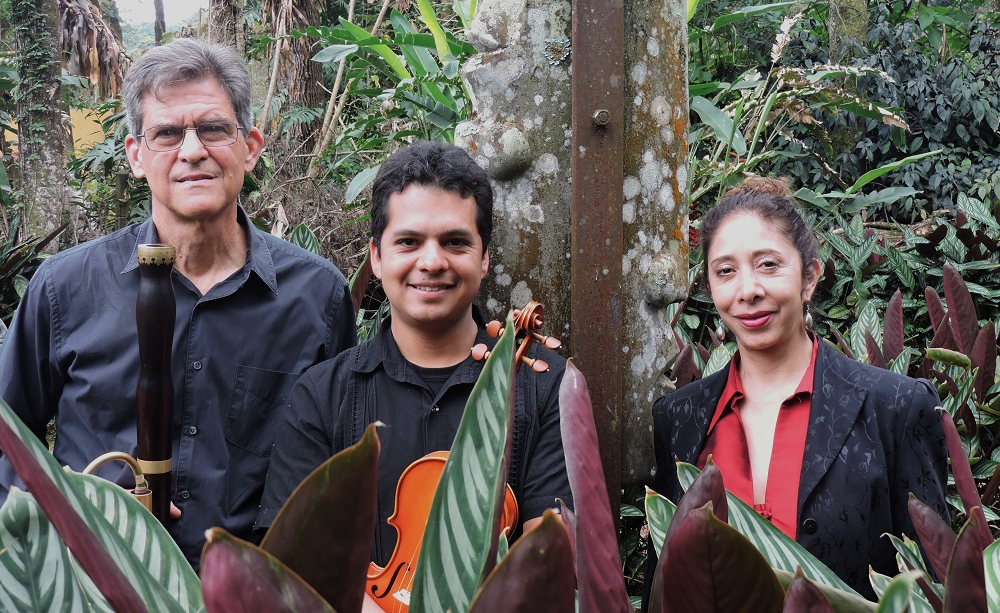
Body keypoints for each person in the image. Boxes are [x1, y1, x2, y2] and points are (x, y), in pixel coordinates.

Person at [0, 38, 356, 569]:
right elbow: (9, 441)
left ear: (250, 146)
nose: (192, 151)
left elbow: (339, 466)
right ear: (136, 156)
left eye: (213, 129)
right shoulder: (63, 288)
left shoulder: (318, 296)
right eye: (167, 133)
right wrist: (51, 533)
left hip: (249, 593)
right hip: (94, 583)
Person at [258, 141, 570, 571]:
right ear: (377, 257)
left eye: (455, 242)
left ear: (484, 260)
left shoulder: (543, 383)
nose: (432, 261)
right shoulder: (321, 395)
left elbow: (548, 557)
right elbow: (294, 560)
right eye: (408, 241)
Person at [645, 176, 948, 602]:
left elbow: (937, 584)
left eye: (768, 264)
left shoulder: (895, 407)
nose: (748, 291)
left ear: (809, 277)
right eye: (726, 271)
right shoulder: (679, 418)